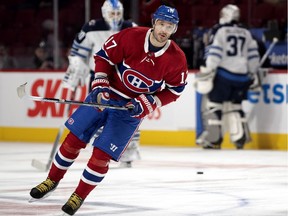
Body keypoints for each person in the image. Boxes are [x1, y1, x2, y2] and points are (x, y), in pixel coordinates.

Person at [29, 5, 188, 215]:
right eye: (161, 24)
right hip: (106, 96)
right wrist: (101, 82)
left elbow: (175, 90)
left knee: (101, 156)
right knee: (73, 141)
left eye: (169, 26)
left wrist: (148, 102)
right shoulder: (131, 36)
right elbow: (103, 57)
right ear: (154, 22)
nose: (164, 30)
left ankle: (79, 195)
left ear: (174, 29)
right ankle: (51, 180)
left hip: (130, 111)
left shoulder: (177, 59)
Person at [62, 0, 139, 167]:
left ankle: (129, 149)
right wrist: (76, 66)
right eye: (112, 13)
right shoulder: (91, 27)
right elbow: (77, 52)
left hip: (123, 80)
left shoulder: (131, 27)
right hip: (99, 78)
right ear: (104, 13)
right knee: (98, 113)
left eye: (118, 13)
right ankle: (101, 151)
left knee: (128, 114)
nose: (116, 17)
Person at [194, 4, 260, 150]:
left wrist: (208, 70)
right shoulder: (246, 32)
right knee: (236, 106)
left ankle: (213, 139)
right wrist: (253, 73)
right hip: (242, 77)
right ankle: (240, 138)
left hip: (224, 75)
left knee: (213, 105)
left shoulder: (220, 30)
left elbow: (215, 53)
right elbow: (253, 57)